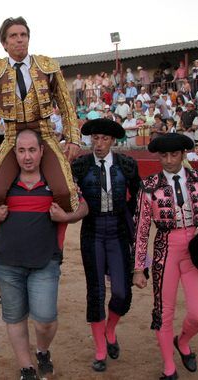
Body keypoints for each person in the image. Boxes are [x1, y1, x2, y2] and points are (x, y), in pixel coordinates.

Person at [0, 129, 88, 380]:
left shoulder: (56, 182)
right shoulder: (3, 183)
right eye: (21, 150)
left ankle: (42, 350)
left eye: (32, 150)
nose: (27, 156)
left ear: (41, 152)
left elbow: (83, 206)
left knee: (45, 320)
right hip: (7, 262)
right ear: (14, 153)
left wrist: (66, 217)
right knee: (15, 317)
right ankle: (26, 367)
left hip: (45, 261)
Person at [0, 16, 81, 214]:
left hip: (44, 134)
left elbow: (66, 105)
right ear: (4, 44)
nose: (19, 39)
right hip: (12, 136)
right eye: (13, 36)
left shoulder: (47, 66)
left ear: (29, 39)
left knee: (65, 193)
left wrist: (73, 139)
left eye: (23, 35)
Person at [132, 133, 198, 380]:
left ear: (183, 155)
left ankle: (182, 341)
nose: (169, 160)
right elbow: (141, 229)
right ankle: (169, 368)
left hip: (196, 249)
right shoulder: (148, 186)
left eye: (174, 155)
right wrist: (139, 267)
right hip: (165, 249)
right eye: (164, 155)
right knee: (164, 311)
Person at [71, 119, 140, 373]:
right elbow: (67, 195)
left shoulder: (127, 165)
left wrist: (127, 217)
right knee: (96, 292)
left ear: (113, 141)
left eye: (104, 139)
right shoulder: (79, 165)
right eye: (95, 139)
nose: (98, 144)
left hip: (118, 232)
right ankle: (100, 348)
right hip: (91, 231)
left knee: (122, 292)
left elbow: (139, 197)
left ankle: (110, 329)